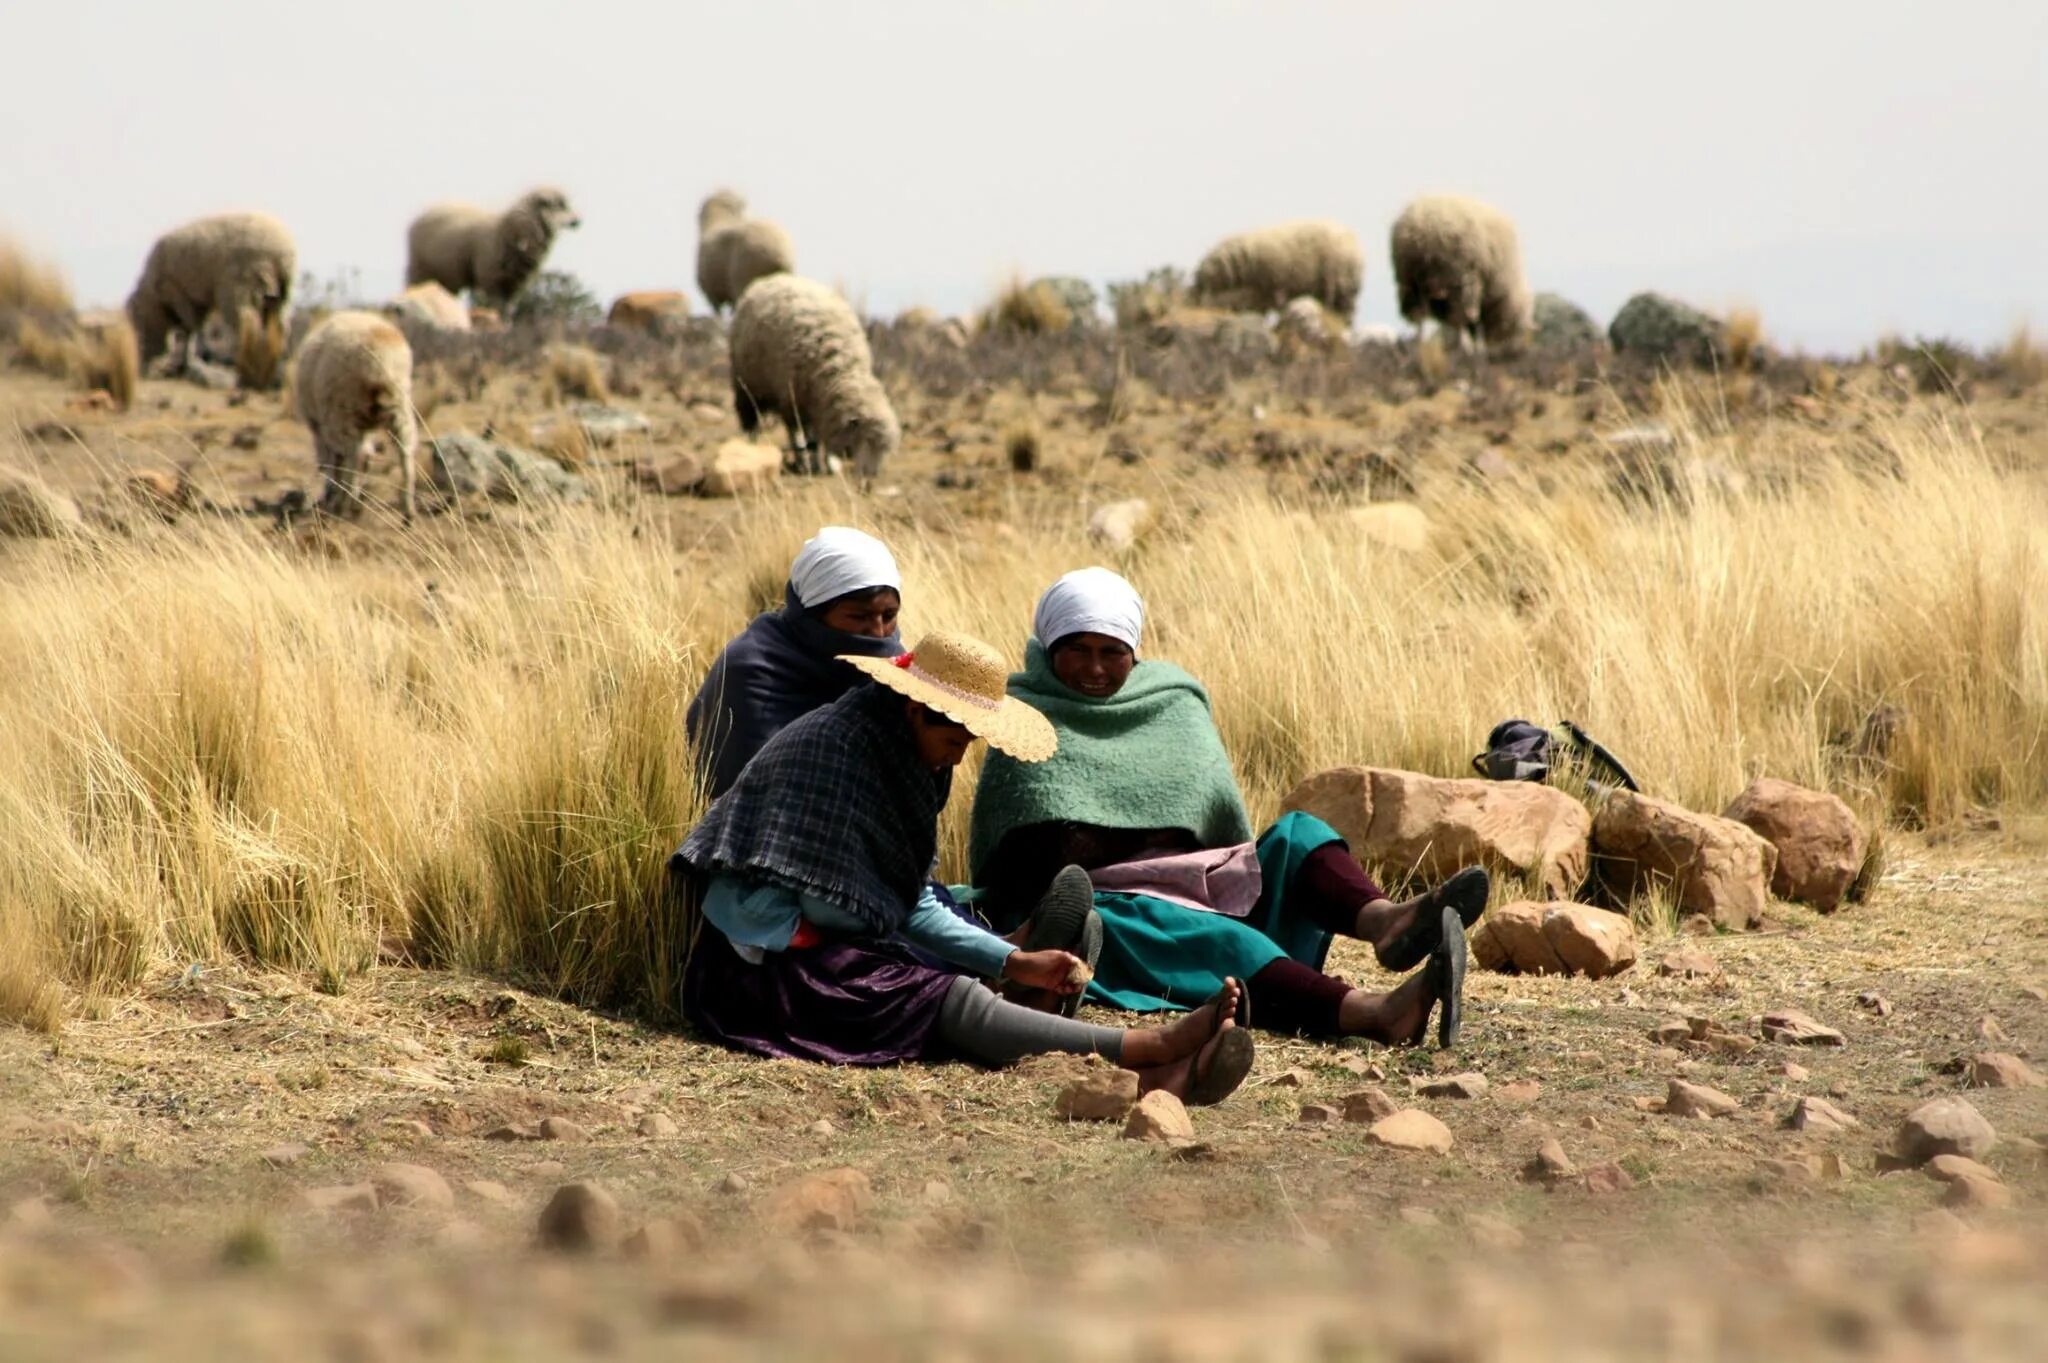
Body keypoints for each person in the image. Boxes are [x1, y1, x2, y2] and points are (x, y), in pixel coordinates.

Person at [672, 629, 1255, 1104]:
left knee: (945, 977)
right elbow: (842, 906)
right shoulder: (838, 756)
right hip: (761, 967)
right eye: (955, 738)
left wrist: (1014, 959)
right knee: (937, 994)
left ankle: (1147, 1071)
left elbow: (910, 897)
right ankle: (1146, 1050)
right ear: (915, 709)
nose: (960, 753)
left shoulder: (905, 755)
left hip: (839, 937)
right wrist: (977, 956)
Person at [969, 568, 1484, 1048]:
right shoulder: (1023, 712)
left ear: (1135, 651)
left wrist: (1179, 860)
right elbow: (1020, 860)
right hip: (1101, 906)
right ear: (1048, 645)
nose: (1096, 668)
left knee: (1299, 834)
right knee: (1199, 932)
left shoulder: (1172, 701)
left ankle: (1386, 922)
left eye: (1112, 651)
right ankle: (1375, 1014)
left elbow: (1214, 822)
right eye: (1077, 649)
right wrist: (1141, 851)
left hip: (1197, 877)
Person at [686, 526, 906, 799]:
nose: (877, 633)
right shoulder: (752, 671)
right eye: (859, 616)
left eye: (889, 615)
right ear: (813, 613)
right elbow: (756, 790)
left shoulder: (892, 667)